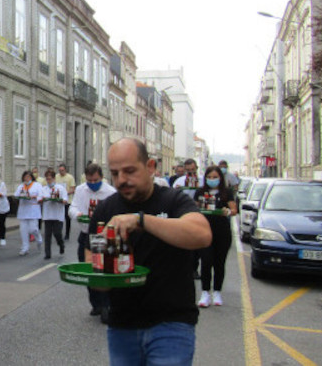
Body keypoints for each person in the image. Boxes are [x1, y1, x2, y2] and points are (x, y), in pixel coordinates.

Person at [90, 138, 211, 365]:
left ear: (151, 167)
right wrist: (104, 272)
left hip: (171, 323)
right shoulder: (105, 210)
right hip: (122, 325)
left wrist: (141, 220)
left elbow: (202, 234)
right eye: (115, 174)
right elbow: (96, 276)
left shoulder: (174, 200)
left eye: (129, 171)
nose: (122, 180)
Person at [68, 163, 116, 320]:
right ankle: (95, 303)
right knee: (87, 269)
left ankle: (106, 306)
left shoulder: (110, 192)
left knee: (103, 271)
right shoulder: (81, 190)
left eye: (95, 180)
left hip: (102, 236)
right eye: (89, 180)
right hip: (86, 234)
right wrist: (78, 214)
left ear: (101, 177)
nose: (92, 183)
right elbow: (72, 207)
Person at [193, 166, 237, 308]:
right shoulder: (200, 192)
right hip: (204, 231)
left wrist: (228, 212)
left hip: (222, 232)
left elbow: (234, 209)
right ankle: (205, 292)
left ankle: (217, 291)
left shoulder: (226, 192)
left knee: (219, 263)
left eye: (215, 177)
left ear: (220, 178)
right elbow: (193, 208)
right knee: (206, 262)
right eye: (209, 177)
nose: (212, 180)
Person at [14, 170, 44, 256]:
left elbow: (41, 195)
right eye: (25, 177)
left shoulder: (37, 185)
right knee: (23, 230)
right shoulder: (21, 186)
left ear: (31, 177)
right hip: (23, 210)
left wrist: (35, 197)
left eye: (28, 177)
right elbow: (16, 195)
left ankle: (39, 239)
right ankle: (25, 248)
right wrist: (20, 195)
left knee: (33, 229)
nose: (26, 178)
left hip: (33, 210)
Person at [41, 169, 67, 260]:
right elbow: (39, 200)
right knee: (47, 235)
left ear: (54, 178)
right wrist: (43, 199)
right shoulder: (43, 189)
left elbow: (64, 200)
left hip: (58, 215)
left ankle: (61, 244)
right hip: (47, 215)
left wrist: (59, 200)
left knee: (57, 233)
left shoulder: (60, 188)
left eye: (50, 179)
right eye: (47, 179)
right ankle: (47, 253)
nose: (49, 181)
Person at [55, 163, 76, 240]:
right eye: (60, 170)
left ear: (65, 170)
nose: (61, 172)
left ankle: (67, 234)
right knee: (58, 218)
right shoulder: (56, 177)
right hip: (58, 201)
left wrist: (66, 193)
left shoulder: (70, 177)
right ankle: (58, 232)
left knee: (67, 218)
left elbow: (73, 189)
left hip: (67, 200)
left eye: (62, 170)